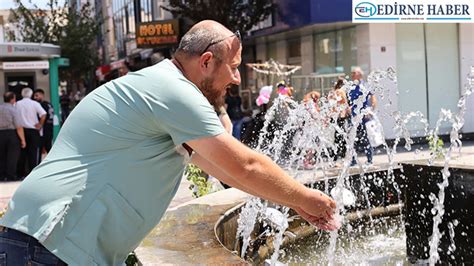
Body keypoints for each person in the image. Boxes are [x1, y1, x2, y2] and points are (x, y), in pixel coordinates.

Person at [0, 20, 338, 265]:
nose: (236, 78)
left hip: (46, 242)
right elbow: (244, 165)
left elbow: (224, 171)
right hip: (49, 243)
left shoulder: (160, 88)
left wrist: (291, 200)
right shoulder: (173, 91)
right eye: (233, 67)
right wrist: (307, 196)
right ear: (206, 62)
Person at [348, 67, 377, 166]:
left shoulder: (365, 85)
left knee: (366, 139)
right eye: (352, 73)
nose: (352, 75)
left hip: (363, 117)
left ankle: (369, 160)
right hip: (353, 117)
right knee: (351, 139)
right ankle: (353, 161)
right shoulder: (350, 86)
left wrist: (370, 110)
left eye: (354, 73)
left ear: (360, 74)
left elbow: (373, 99)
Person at [15, 87, 46, 177]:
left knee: (22, 153)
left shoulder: (17, 104)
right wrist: (40, 124)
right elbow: (43, 114)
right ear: (31, 95)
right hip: (33, 130)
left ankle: (21, 173)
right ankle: (33, 173)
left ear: (22, 94)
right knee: (33, 153)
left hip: (21, 130)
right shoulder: (35, 103)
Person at [0, 92, 26, 181]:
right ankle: (11, 176)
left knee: (1, 156)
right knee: (12, 157)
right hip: (11, 134)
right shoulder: (13, 110)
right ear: (12, 99)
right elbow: (18, 126)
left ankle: (1, 176)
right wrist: (23, 140)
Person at [328, 78, 350, 163]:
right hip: (341, 116)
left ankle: (335, 157)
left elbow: (330, 104)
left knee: (336, 137)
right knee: (343, 137)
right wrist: (349, 111)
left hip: (334, 117)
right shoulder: (341, 91)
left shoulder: (332, 92)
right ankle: (340, 157)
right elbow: (345, 103)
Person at [33, 89, 54, 156]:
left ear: (42, 95)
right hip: (50, 129)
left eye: (37, 95)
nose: (35, 98)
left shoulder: (41, 105)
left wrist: (39, 125)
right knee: (49, 148)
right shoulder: (49, 104)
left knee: (40, 149)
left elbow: (42, 116)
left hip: (44, 130)